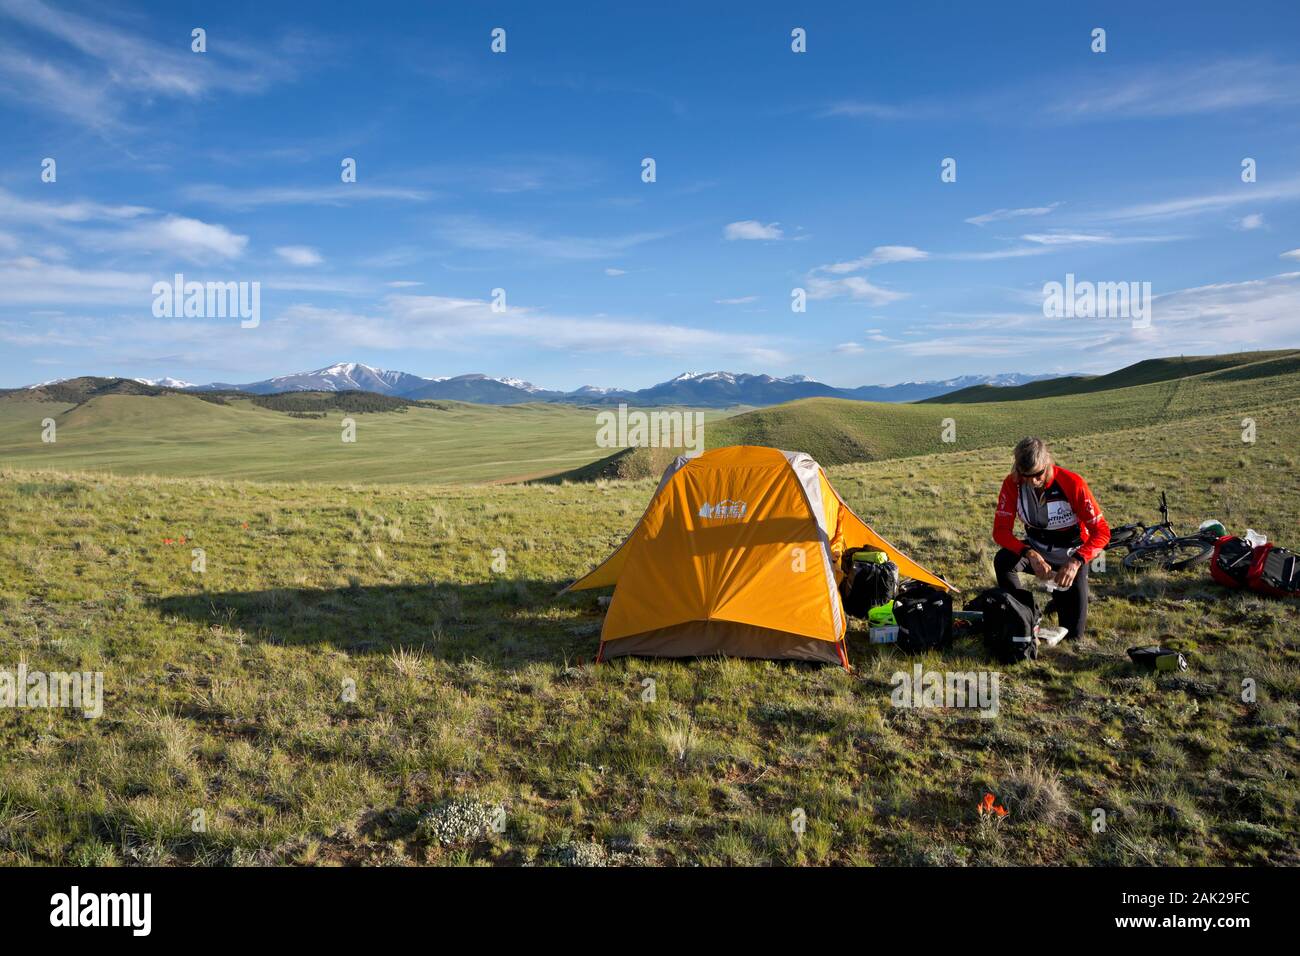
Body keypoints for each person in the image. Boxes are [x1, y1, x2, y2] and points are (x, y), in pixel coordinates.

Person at [992, 437, 1110, 639]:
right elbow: (1000, 531)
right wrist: (1029, 554)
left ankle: (1060, 598)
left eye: (1038, 474)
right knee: (1003, 560)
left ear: (1047, 463)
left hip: (1071, 554)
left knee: (1073, 637)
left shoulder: (1072, 483)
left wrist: (1076, 562)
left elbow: (1102, 532)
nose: (1032, 481)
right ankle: (1024, 615)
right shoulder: (1012, 483)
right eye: (1025, 475)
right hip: (1037, 549)